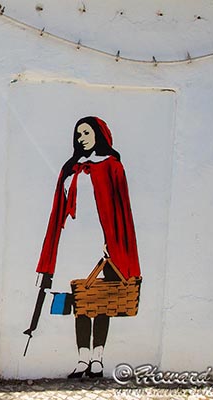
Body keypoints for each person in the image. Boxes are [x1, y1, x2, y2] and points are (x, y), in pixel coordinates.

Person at [36, 116, 140, 378]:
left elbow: (122, 209)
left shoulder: (113, 166)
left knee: (102, 301)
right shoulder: (70, 169)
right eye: (78, 134)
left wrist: (114, 243)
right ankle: (83, 358)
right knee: (80, 302)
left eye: (86, 133)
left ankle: (98, 358)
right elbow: (58, 210)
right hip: (74, 242)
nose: (81, 138)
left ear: (98, 134)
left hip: (103, 244)